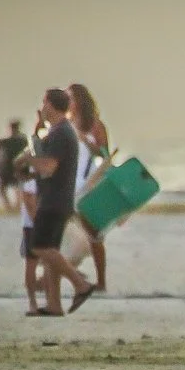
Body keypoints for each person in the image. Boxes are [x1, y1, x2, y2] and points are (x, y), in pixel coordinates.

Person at [12, 88, 97, 317]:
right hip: (55, 198)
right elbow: (50, 169)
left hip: (54, 201)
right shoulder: (58, 132)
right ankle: (54, 305)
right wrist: (28, 174)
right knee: (51, 253)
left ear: (51, 105)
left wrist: (28, 159)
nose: (42, 107)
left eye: (44, 102)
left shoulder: (61, 132)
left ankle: (81, 284)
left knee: (40, 248)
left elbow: (49, 168)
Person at [68, 84, 112, 292]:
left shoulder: (95, 125)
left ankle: (101, 281)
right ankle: (71, 273)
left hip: (89, 184)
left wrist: (86, 141)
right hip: (68, 183)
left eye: (71, 98)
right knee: (64, 230)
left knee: (94, 234)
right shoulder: (66, 123)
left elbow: (105, 155)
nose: (68, 102)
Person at [20, 177, 41, 314]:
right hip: (33, 225)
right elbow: (29, 200)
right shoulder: (33, 176)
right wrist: (38, 222)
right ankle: (32, 302)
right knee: (32, 263)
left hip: (41, 222)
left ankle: (49, 300)